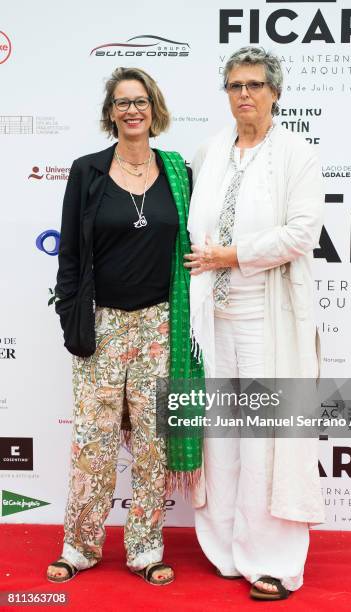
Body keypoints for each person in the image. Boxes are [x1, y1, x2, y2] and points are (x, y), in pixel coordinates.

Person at [47, 66, 203, 585]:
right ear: (110, 113)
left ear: (154, 109)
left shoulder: (177, 171)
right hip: (103, 324)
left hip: (162, 323)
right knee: (93, 439)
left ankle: (144, 548)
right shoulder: (87, 171)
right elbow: (70, 252)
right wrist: (72, 317)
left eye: (140, 101)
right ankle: (80, 545)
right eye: (121, 102)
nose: (131, 110)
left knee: (154, 442)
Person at [184, 47, 325, 601]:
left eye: (255, 85)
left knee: (265, 437)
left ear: (276, 92)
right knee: (220, 436)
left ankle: (273, 560)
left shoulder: (297, 154)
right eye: (235, 85)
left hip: (267, 318)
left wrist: (231, 256)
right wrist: (211, 266)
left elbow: (301, 233)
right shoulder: (210, 149)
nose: (244, 94)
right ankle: (225, 550)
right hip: (211, 319)